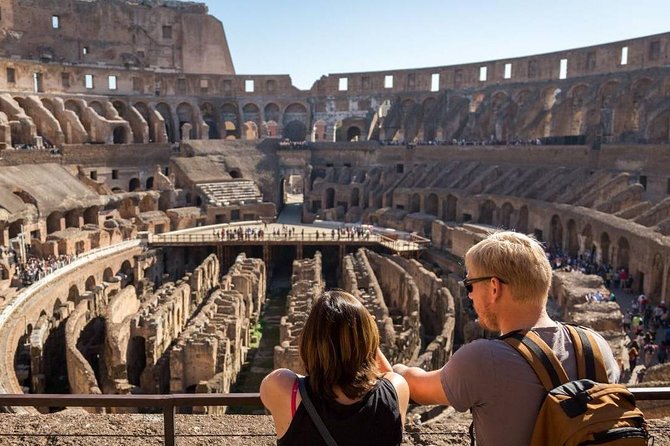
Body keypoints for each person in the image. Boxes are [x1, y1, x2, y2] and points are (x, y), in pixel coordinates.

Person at [392, 231, 619, 446]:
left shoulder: (483, 359)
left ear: (494, 287)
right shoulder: (597, 346)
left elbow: (416, 386)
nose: (468, 295)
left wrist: (389, 364)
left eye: (470, 285)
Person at [260, 290, 409, 445]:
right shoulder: (398, 388)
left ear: (309, 340)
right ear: (367, 341)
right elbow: (386, 381)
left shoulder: (280, 385)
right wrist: (367, 336)